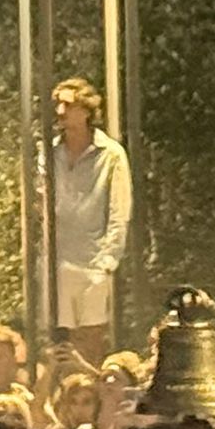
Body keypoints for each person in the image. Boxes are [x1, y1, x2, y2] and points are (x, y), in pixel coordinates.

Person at [51, 77, 133, 363]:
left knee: (92, 339)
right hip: (57, 260)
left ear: (86, 111)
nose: (61, 111)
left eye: (69, 105)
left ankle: (92, 393)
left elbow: (119, 211)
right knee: (60, 338)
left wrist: (106, 262)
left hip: (93, 260)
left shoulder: (110, 154)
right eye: (58, 104)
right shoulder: (49, 153)